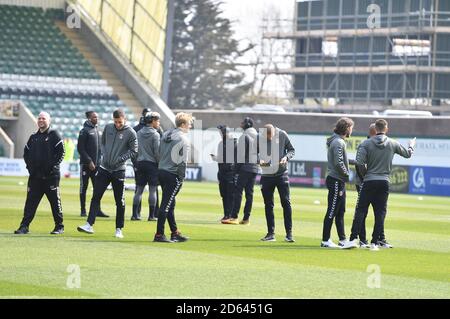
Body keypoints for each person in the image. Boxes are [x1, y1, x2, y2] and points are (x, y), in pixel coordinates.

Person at [345, 119, 415, 250]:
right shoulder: (393, 143)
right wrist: (411, 145)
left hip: (369, 181)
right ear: (386, 129)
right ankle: (374, 243)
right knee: (380, 213)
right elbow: (408, 154)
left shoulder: (365, 144)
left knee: (360, 210)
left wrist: (366, 176)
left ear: (375, 129)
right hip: (384, 182)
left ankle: (353, 239)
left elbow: (359, 163)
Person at [77, 110, 138, 238]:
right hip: (104, 168)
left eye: (120, 122)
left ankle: (119, 229)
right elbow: (103, 143)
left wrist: (121, 158)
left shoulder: (131, 133)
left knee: (119, 201)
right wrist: (104, 154)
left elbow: (134, 151)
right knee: (96, 197)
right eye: (115, 122)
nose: (117, 125)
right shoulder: (108, 127)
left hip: (119, 170)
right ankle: (89, 224)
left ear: (124, 119)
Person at [14, 112, 65, 235]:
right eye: (39, 118)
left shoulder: (54, 135)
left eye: (44, 118)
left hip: (51, 177)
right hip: (35, 177)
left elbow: (61, 153)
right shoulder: (33, 137)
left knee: (55, 202)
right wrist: (30, 168)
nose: (41, 120)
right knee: (30, 202)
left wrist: (51, 167)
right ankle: (24, 226)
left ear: (49, 121)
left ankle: (59, 226)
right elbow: (26, 153)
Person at [153, 112, 192, 243]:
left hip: (161, 171)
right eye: (189, 124)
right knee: (166, 205)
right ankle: (159, 234)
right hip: (172, 175)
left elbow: (158, 153)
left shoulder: (165, 135)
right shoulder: (183, 140)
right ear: (183, 124)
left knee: (170, 203)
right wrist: (181, 178)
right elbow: (183, 162)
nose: (190, 126)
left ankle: (175, 232)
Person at [259, 124, 295, 243]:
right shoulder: (259, 137)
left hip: (281, 174)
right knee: (268, 205)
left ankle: (289, 234)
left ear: (274, 132)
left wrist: (286, 157)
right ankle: (271, 234)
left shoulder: (282, 134)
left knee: (286, 202)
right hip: (266, 175)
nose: (269, 139)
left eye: (271, 137)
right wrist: (260, 161)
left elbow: (291, 150)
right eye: (267, 137)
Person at [321, 117, 354, 248]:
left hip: (337, 179)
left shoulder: (338, 141)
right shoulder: (338, 142)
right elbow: (339, 162)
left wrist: (355, 163)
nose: (352, 130)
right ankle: (325, 240)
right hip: (336, 179)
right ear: (346, 128)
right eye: (351, 127)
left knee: (340, 211)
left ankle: (342, 239)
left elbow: (341, 159)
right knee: (332, 210)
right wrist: (347, 173)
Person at [226, 117, 259, 225]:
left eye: (243, 123)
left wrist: (235, 170)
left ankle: (234, 217)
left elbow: (241, 155)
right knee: (249, 194)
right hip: (254, 168)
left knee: (238, 192)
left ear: (247, 124)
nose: (241, 124)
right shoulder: (258, 137)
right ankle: (246, 218)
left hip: (245, 168)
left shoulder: (244, 136)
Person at [77, 111, 109, 218]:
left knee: (97, 188)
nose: (97, 118)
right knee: (84, 187)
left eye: (97, 117)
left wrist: (100, 162)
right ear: (89, 118)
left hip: (97, 166)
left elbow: (100, 149)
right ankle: (83, 210)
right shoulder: (84, 131)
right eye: (95, 117)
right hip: (86, 165)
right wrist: (89, 161)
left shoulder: (97, 130)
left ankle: (97, 210)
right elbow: (80, 148)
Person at [350, 123, 377, 248]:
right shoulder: (366, 144)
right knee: (363, 211)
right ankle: (362, 239)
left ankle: (377, 238)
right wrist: (366, 179)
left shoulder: (372, 143)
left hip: (369, 182)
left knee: (375, 211)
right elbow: (359, 164)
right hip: (363, 182)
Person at [132, 112, 161, 221]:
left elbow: (135, 149)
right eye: (157, 121)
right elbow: (157, 152)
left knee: (139, 190)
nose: (158, 123)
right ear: (152, 121)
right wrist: (159, 164)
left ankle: (135, 215)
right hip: (151, 164)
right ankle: (151, 215)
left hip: (140, 163)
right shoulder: (155, 134)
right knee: (152, 190)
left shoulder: (138, 133)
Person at [211, 125, 237, 223]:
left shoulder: (234, 143)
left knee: (230, 195)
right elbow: (222, 158)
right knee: (224, 195)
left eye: (221, 132)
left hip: (230, 173)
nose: (220, 134)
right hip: (221, 172)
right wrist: (215, 158)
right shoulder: (221, 144)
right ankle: (226, 215)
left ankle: (230, 215)